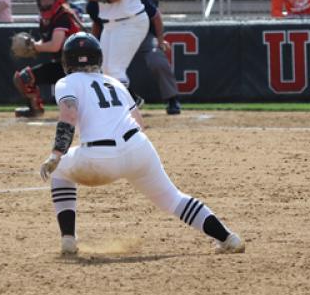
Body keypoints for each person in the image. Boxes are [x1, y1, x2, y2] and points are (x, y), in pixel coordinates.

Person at [38, 32, 245, 256]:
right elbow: (139, 122)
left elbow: (68, 116)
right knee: (173, 198)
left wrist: (56, 153)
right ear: (98, 58)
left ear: (67, 60)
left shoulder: (66, 82)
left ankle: (68, 240)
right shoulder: (114, 82)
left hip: (99, 158)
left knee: (60, 170)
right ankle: (227, 238)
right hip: (138, 147)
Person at [13, 0, 82, 118]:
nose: (45, 1)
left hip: (77, 67)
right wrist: (33, 44)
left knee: (71, 104)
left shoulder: (63, 16)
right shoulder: (46, 18)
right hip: (61, 65)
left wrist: (33, 46)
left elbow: (55, 45)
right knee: (23, 78)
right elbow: (46, 42)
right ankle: (35, 110)